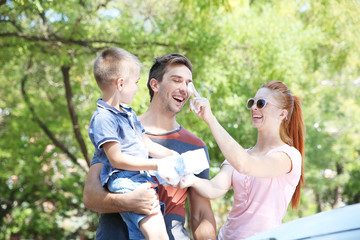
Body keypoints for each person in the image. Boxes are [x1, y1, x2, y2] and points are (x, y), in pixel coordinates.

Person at [83, 53, 217, 240]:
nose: (184, 88)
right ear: (155, 84)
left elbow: (201, 215)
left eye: (188, 83)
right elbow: (90, 195)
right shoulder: (120, 130)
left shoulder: (195, 146)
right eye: (176, 80)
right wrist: (126, 201)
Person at [182, 80, 305, 239]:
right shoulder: (240, 154)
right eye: (252, 102)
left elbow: (245, 165)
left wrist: (210, 119)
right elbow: (214, 189)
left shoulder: (289, 156)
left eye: (261, 103)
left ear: (282, 113)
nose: (254, 107)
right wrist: (189, 178)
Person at [88, 47, 182, 240]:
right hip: (126, 181)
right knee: (158, 235)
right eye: (136, 83)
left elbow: (145, 143)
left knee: (141, 235)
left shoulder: (128, 114)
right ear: (121, 83)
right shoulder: (103, 118)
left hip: (140, 178)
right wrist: (156, 164)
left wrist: (172, 156)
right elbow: (116, 159)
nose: (138, 88)